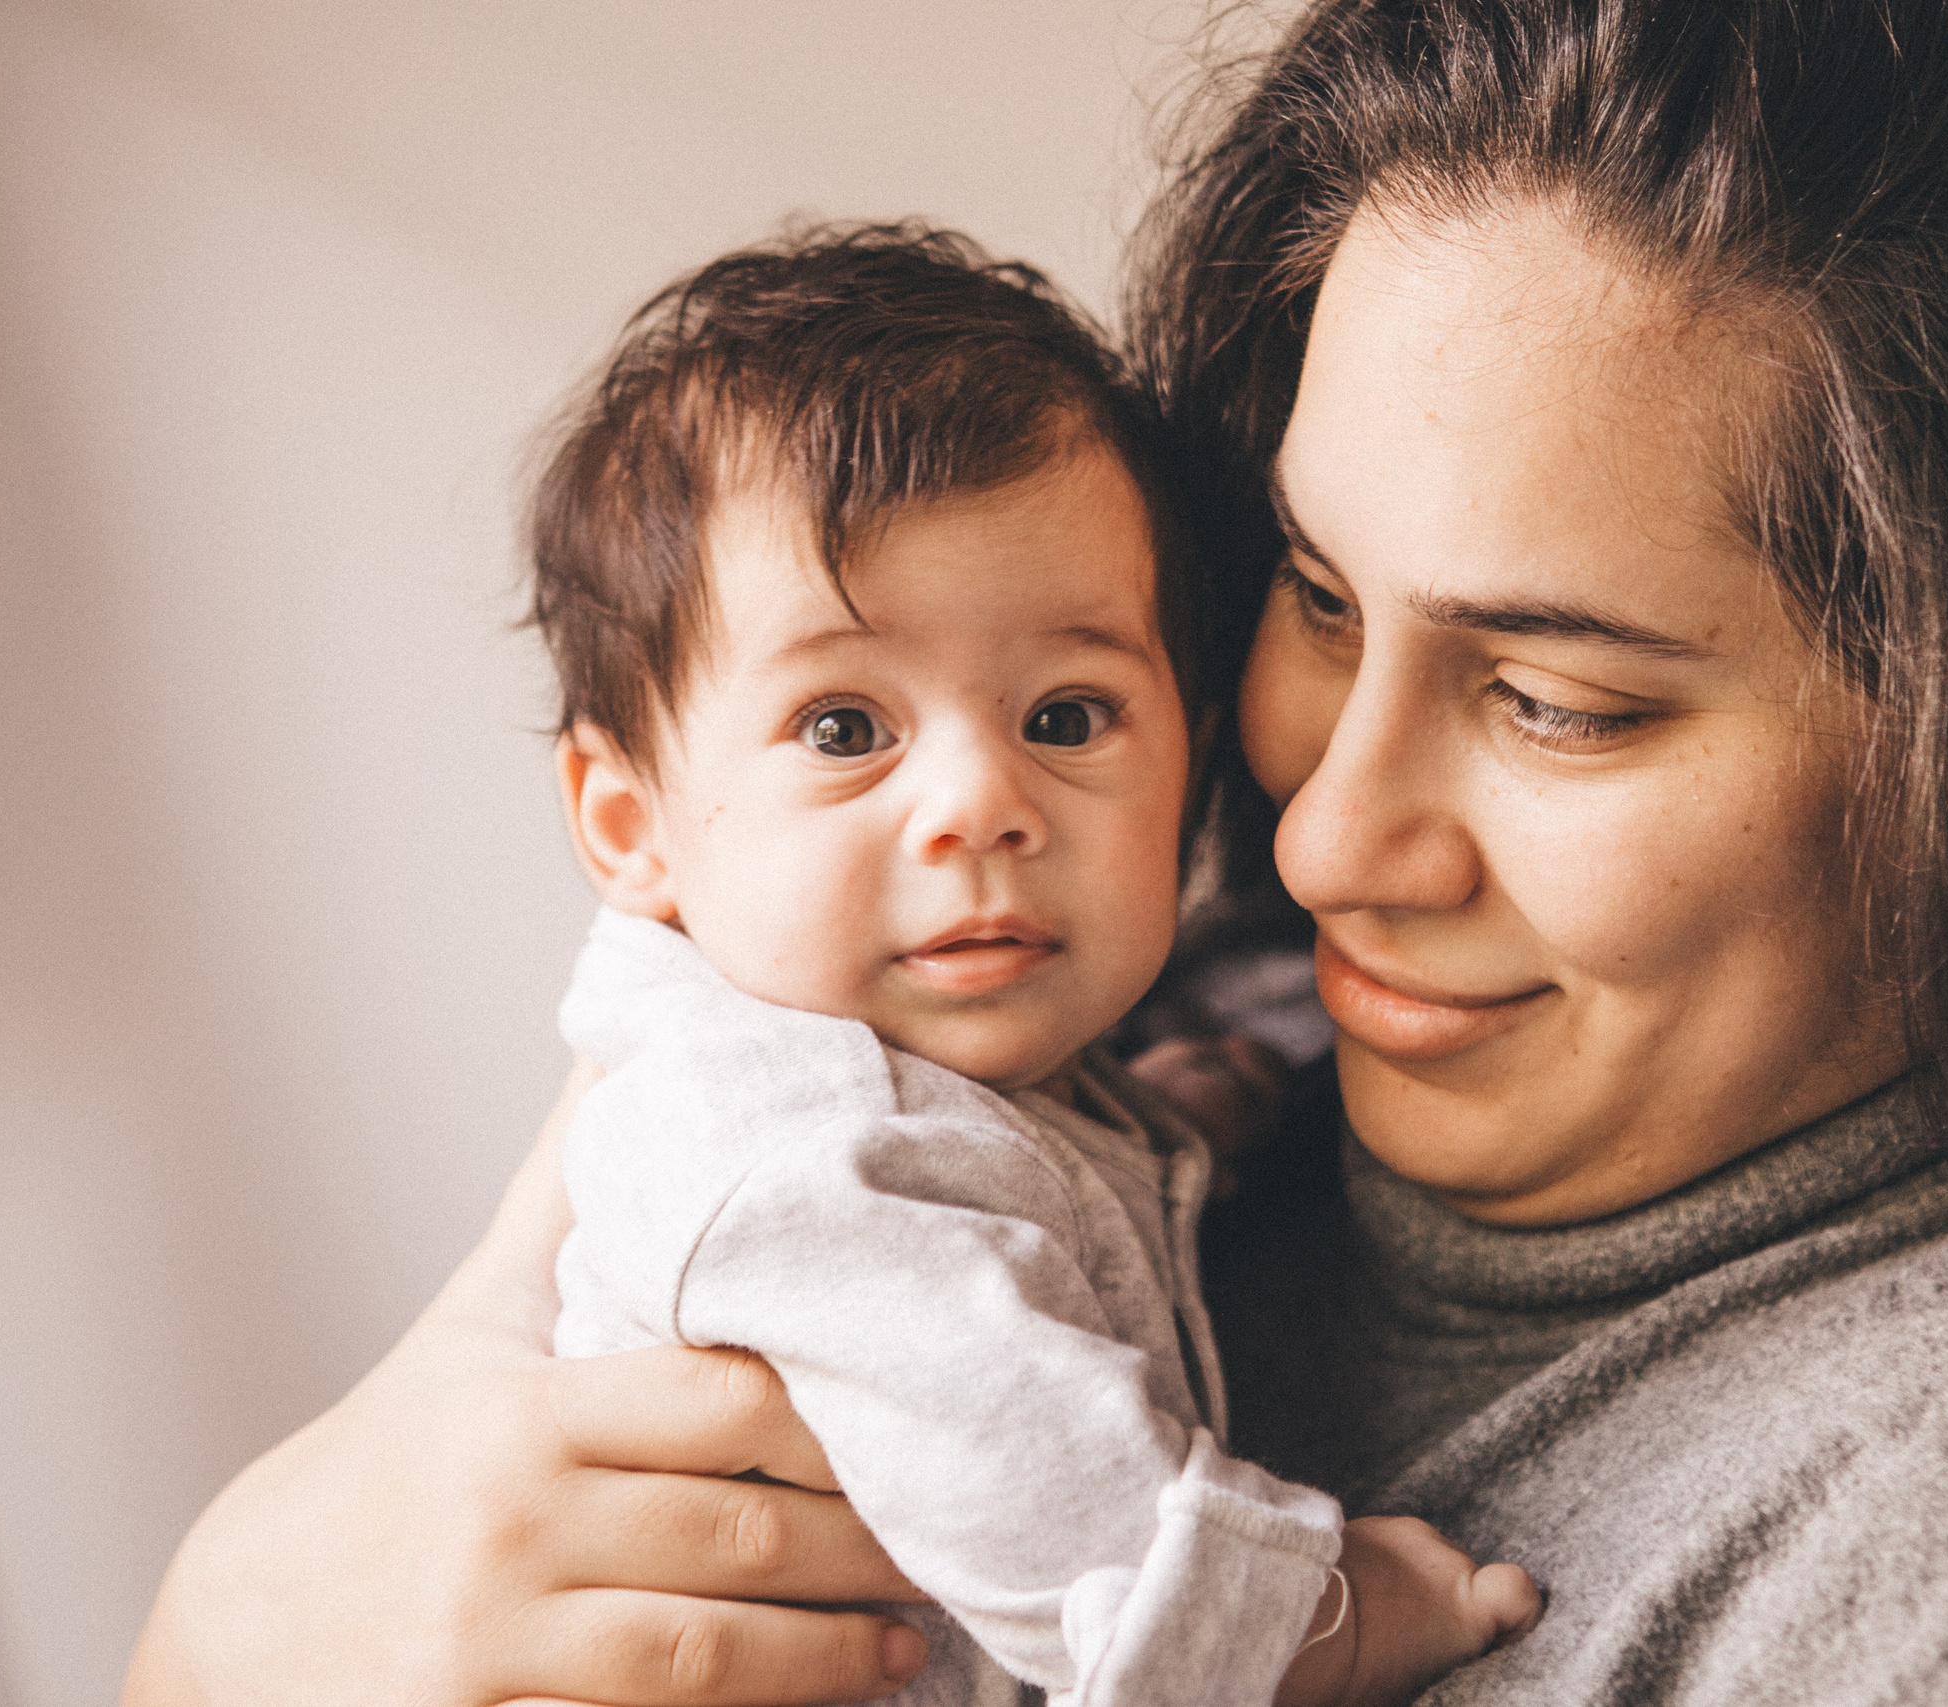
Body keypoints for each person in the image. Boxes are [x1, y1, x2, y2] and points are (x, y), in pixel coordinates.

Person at [123, 0, 1948, 1703]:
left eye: (1552, 698)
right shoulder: (1093, 1049)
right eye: (1305, 594)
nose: (1309, 823)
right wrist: (235, 1624)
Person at [529, 225, 1535, 1707]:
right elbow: (1033, 1486)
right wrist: (1328, 1616)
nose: (979, 803)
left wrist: (1163, 1117)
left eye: (1066, 717)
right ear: (633, 827)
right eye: (842, 728)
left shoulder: (957, 1076)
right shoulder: (786, 1150)